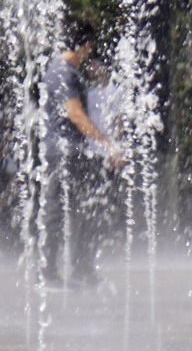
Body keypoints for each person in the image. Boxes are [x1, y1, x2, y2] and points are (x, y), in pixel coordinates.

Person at [41, 19, 122, 288]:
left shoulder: (60, 70)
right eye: (91, 48)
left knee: (81, 209)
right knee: (79, 209)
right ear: (85, 46)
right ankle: (58, 271)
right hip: (66, 152)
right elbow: (75, 114)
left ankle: (74, 269)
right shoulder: (64, 72)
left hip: (68, 151)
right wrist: (108, 144)